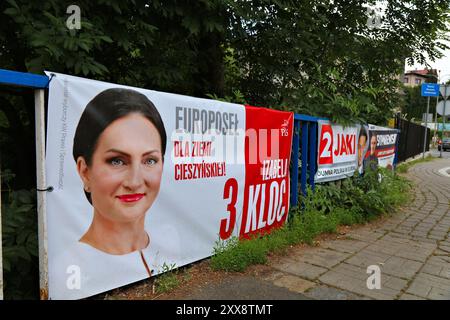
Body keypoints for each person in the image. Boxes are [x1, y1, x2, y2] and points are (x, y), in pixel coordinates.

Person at [51, 88, 179, 299]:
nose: (135, 182)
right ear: (85, 171)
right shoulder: (67, 267)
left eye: (150, 160)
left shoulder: (170, 241)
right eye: (117, 161)